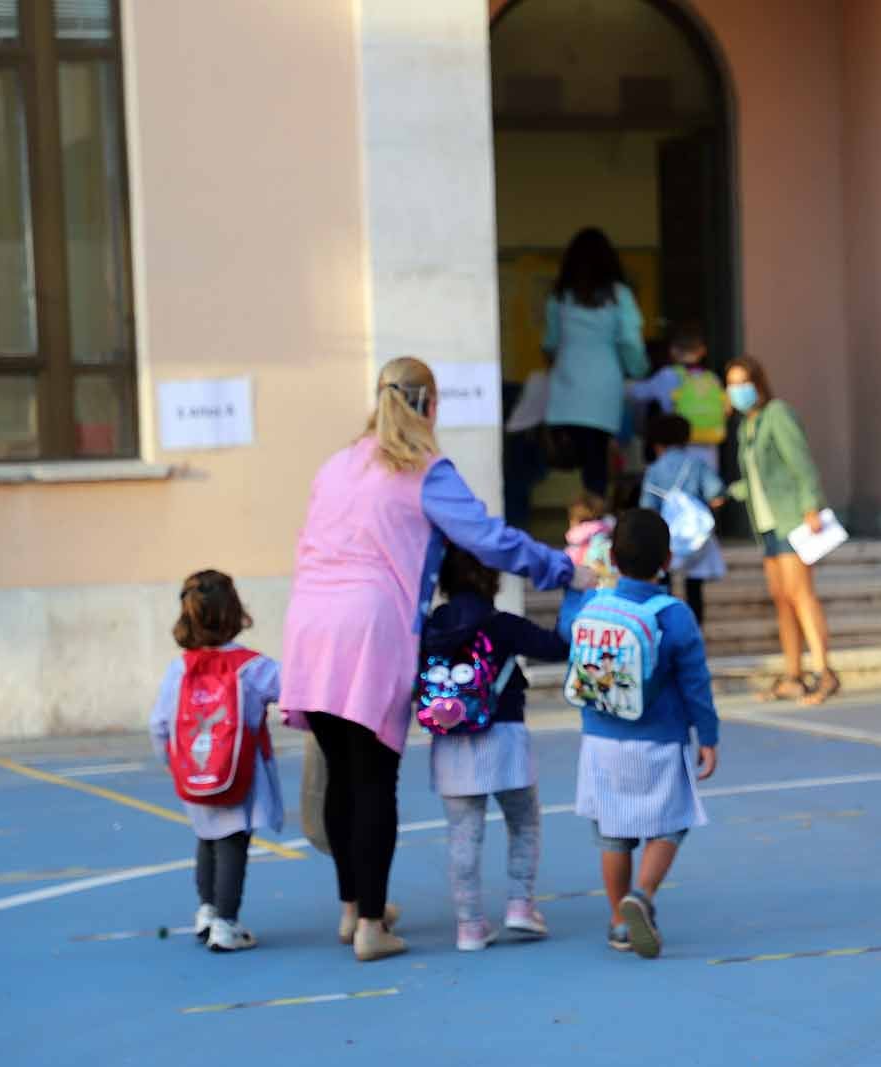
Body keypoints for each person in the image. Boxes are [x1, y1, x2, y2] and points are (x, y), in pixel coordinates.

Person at [280, 357, 593, 963]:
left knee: (342, 776)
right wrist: (561, 568)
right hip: (369, 626)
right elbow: (489, 539)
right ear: (428, 406)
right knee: (374, 779)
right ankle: (373, 926)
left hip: (309, 623)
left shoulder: (335, 466)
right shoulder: (424, 471)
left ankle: (353, 909)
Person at [559, 510, 719, 959]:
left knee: (613, 835)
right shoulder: (674, 615)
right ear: (667, 559)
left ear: (611, 556)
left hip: (600, 739)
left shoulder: (593, 607)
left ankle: (617, 921)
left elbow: (565, 633)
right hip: (661, 738)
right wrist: (706, 734)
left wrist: (575, 586)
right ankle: (642, 895)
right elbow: (695, 683)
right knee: (672, 823)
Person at [422, 546, 570, 952]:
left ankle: (469, 925)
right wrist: (573, 597)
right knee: (523, 822)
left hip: (450, 744)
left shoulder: (430, 626)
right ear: (493, 578)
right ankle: (520, 905)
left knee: (463, 836)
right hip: (505, 737)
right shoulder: (501, 625)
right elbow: (558, 647)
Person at [150, 570, 283, 953]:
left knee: (206, 838)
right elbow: (293, 692)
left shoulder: (180, 668)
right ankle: (227, 922)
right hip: (240, 773)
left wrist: (172, 763)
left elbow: (158, 723)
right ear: (235, 613)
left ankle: (207, 911)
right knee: (232, 843)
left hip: (196, 769)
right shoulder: (252, 666)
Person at [725, 355, 840, 705]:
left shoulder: (778, 414)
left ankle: (824, 673)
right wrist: (727, 493)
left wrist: (811, 505)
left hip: (793, 519)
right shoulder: (747, 425)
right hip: (767, 525)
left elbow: (800, 461)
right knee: (782, 599)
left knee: (801, 594)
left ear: (758, 383)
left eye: (743, 382)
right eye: (731, 384)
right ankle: (793, 675)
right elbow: (756, 480)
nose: (737, 391)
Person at [542, 228, 650, 497]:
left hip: (566, 385)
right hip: (604, 385)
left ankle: (580, 518)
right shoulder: (619, 295)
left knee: (572, 457)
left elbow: (550, 343)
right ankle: (597, 520)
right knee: (598, 457)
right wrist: (638, 370)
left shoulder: (559, 297)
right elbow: (629, 341)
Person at [640, 413, 726, 625]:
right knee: (694, 588)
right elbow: (717, 496)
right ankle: (695, 632)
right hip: (697, 539)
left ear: (657, 443)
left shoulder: (654, 469)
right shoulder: (696, 464)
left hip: (666, 537)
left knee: (664, 587)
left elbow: (647, 508)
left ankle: (668, 630)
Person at [627, 323, 727, 473]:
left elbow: (635, 393)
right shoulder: (712, 379)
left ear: (673, 351)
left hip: (678, 455)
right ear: (702, 351)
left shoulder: (667, 376)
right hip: (709, 455)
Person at [565, 490, 617, 589]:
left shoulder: (573, 545)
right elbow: (600, 567)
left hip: (575, 591)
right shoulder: (602, 538)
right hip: (597, 592)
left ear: (574, 520)